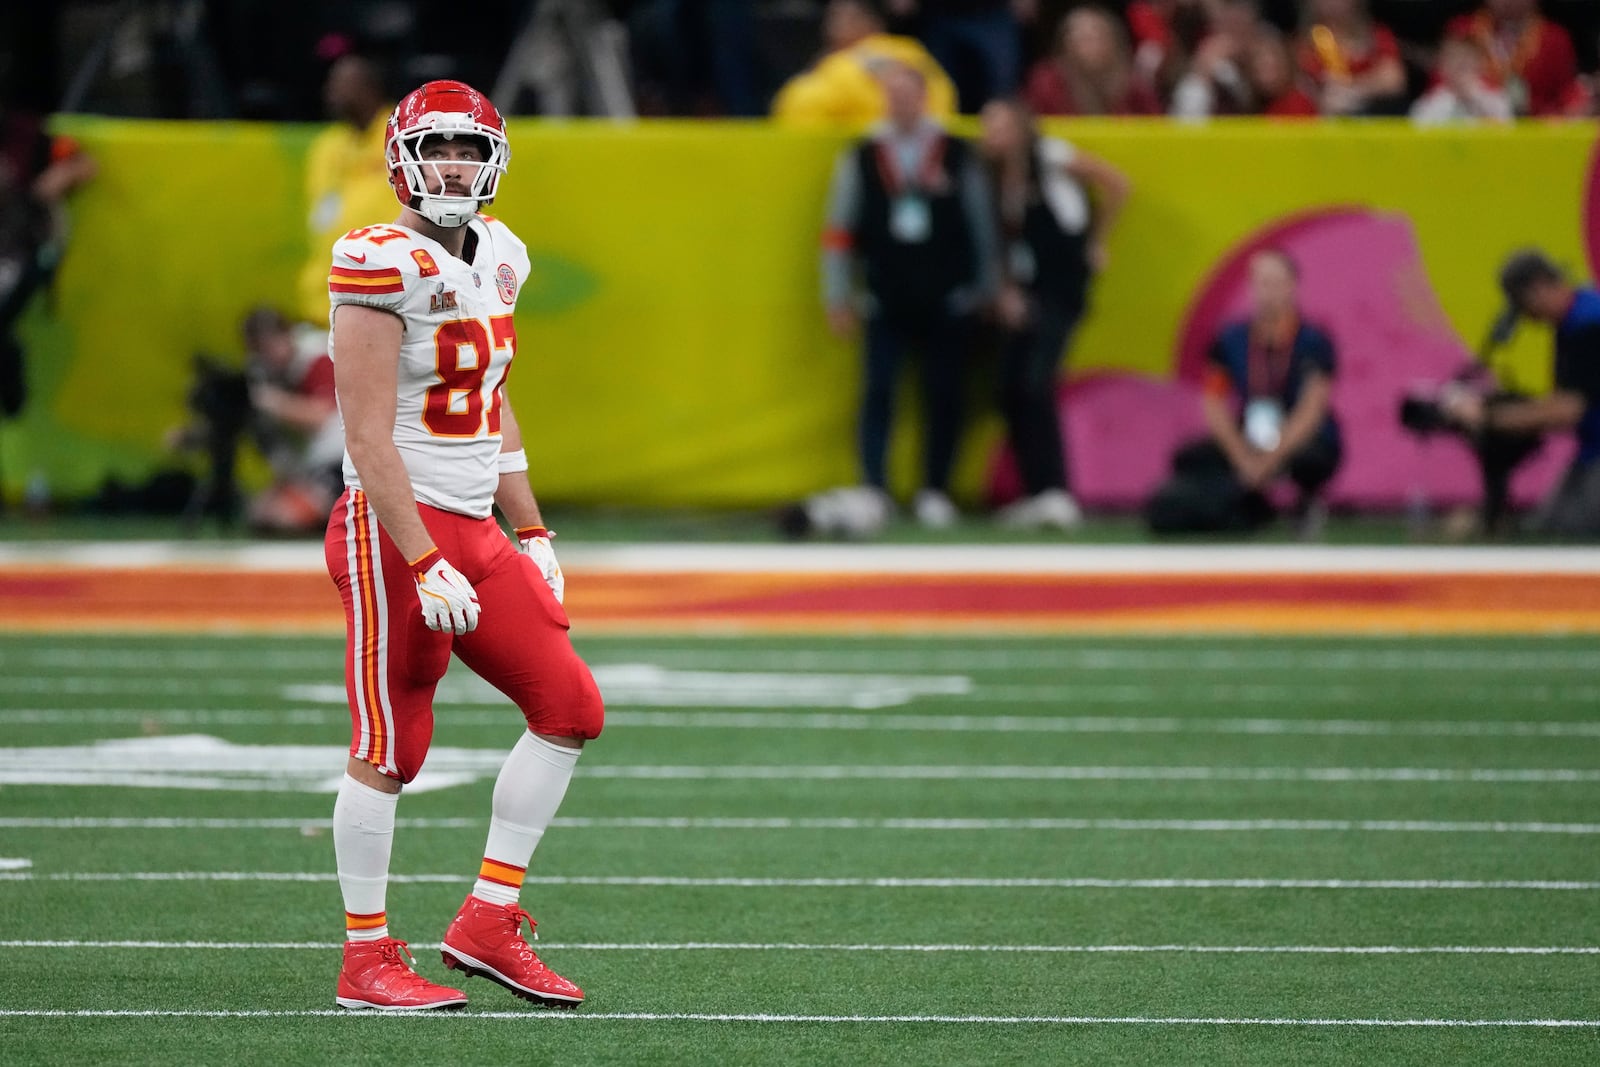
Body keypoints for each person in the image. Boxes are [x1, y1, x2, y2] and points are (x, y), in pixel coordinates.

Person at [323, 79, 604, 1012]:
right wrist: (420, 556)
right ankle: (365, 959)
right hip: (390, 523)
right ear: (403, 157)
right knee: (393, 743)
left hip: (475, 522)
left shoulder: (503, 252)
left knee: (568, 705)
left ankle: (487, 919)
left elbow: (493, 398)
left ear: (494, 162)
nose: (453, 165)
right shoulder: (377, 259)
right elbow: (365, 436)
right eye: (437, 148)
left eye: (469, 150)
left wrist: (530, 524)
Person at [820, 62, 999, 528]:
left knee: (944, 394)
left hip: (948, 295)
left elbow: (982, 224)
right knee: (878, 392)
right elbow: (839, 229)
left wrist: (986, 286)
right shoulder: (862, 154)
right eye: (892, 94)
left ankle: (935, 488)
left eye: (908, 93)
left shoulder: (957, 152)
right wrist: (837, 294)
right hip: (885, 294)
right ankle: (873, 486)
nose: (900, 102)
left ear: (925, 97)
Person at [979, 97, 1130, 530]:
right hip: (1026, 292)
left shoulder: (1050, 157)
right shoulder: (994, 178)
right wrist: (1006, 292)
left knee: (1037, 383)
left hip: (1060, 286)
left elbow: (1117, 184)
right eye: (989, 128)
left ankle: (1056, 490)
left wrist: (1098, 241)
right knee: (1009, 387)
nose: (993, 136)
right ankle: (1036, 491)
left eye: (1002, 126)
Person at [1146, 249, 1342, 535]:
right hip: (1251, 431)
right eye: (1261, 282)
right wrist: (1242, 458)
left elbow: (1311, 411)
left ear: (1292, 285)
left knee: (1312, 457)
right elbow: (1214, 403)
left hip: (1297, 436)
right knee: (1190, 457)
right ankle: (1250, 503)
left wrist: (1268, 461)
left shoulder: (1314, 341)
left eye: (1276, 282)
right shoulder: (1230, 339)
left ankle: (1305, 503)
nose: (1268, 291)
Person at [1441, 251, 1600, 538]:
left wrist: (1488, 416)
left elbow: (1567, 411)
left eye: (1524, 305)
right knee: (1552, 524)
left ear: (1539, 287)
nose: (1527, 317)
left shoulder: (1588, 323)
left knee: (1575, 528)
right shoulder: (1573, 321)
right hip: (1591, 452)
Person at [165, 307, 345, 534]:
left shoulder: (317, 355)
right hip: (307, 466)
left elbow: (322, 416)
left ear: (287, 334)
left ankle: (335, 513)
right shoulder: (261, 372)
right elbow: (236, 421)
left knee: (286, 518)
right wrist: (191, 436)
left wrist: (270, 401)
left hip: (340, 460)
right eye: (260, 348)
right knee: (259, 513)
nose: (269, 354)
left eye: (271, 344)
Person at [295, 54, 395, 324]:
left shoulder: (403, 137)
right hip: (325, 300)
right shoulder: (326, 147)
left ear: (370, 88)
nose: (331, 91)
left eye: (342, 83)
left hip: (386, 296)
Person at [772, 0, 958, 126]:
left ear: (873, 23)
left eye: (847, 17)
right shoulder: (830, 60)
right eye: (833, 16)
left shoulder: (885, 52)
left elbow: (923, 98)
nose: (835, 25)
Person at [1443, 0, 1579, 118]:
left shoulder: (1555, 38)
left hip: (1536, 131)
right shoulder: (1463, 31)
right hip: (1474, 128)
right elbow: (1440, 83)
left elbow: (1567, 93)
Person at [1023, 5, 1162, 117]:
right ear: (1066, 44)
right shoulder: (1047, 81)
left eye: (1097, 37)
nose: (1090, 45)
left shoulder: (1132, 81)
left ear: (1113, 41)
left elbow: (1155, 125)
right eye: (1082, 38)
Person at [1296, 0, 1406, 117]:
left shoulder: (1377, 34)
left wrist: (1354, 90)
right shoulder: (1305, 45)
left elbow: (1393, 81)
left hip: (1376, 116)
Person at [1410, 37, 1515, 125]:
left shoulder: (1496, 98)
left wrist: (1473, 98)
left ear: (1480, 63)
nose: (1460, 65)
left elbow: (1507, 131)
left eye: (1467, 59)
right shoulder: (1429, 101)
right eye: (1454, 58)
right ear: (1442, 66)